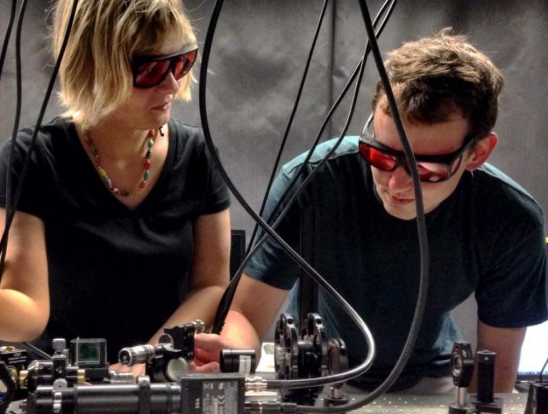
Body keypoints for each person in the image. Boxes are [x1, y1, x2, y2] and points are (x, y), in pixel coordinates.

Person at [0, 0, 231, 367]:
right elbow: (27, 310)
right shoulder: (33, 159)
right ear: (95, 68)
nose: (172, 83)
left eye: (182, 61)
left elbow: (211, 285)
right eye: (151, 69)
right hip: (65, 386)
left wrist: (142, 363)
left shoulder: (196, 156)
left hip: (162, 378)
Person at [195, 30, 547, 393]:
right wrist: (233, 353)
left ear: (477, 153)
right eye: (381, 155)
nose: (396, 184)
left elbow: (496, 371)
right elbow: (248, 317)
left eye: (426, 170)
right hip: (315, 369)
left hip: (430, 377)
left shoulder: (509, 218)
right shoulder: (313, 182)